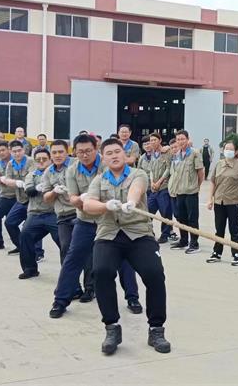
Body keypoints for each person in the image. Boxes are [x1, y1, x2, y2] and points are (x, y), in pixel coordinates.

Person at [83, 138, 171, 355]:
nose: (114, 156)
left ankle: (156, 329)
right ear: (103, 158)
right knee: (101, 272)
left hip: (138, 233)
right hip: (108, 234)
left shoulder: (137, 173)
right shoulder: (99, 180)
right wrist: (105, 206)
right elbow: (87, 204)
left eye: (117, 151)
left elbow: (138, 188)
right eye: (109, 153)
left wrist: (131, 201)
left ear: (125, 154)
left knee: (154, 274)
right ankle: (112, 327)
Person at [50, 134, 142, 317]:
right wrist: (81, 200)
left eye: (89, 151)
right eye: (80, 152)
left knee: (123, 259)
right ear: (74, 152)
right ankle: (60, 301)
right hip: (85, 220)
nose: (85, 155)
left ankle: (132, 297)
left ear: (96, 149)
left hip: (110, 221)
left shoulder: (107, 164)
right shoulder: (72, 170)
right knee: (73, 257)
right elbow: (72, 197)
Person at [206, 140, 238, 265]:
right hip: (219, 201)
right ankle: (217, 252)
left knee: (234, 229)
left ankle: (236, 253)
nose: (228, 151)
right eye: (226, 148)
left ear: (236, 151)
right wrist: (209, 198)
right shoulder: (219, 164)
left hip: (232, 201)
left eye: (231, 149)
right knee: (219, 229)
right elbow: (212, 182)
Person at [18, 149, 60, 279]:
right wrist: (37, 188)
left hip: (54, 214)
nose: (41, 162)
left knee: (64, 242)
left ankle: (69, 274)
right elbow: (28, 191)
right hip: (35, 214)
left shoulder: (56, 173)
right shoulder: (32, 175)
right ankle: (30, 269)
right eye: (38, 160)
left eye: (44, 159)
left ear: (50, 160)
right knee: (25, 236)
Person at [0, 140, 41, 257]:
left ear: (23, 150)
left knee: (33, 227)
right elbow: (7, 180)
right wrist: (16, 182)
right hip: (21, 199)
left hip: (33, 199)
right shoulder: (11, 164)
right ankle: (21, 246)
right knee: (10, 222)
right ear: (10, 152)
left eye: (19, 151)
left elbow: (33, 177)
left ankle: (37, 253)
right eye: (14, 151)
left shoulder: (31, 161)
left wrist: (24, 183)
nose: (17, 153)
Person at [169, 130, 204, 254]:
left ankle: (194, 243)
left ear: (188, 139)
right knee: (181, 217)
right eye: (178, 139)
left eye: (182, 139)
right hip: (179, 191)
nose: (180, 142)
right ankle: (183, 240)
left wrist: (197, 186)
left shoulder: (195, 153)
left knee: (192, 219)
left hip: (191, 191)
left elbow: (200, 172)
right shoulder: (176, 154)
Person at [41, 140, 77, 261]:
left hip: (80, 212)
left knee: (86, 249)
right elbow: (46, 197)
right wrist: (54, 191)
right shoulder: (48, 171)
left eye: (61, 152)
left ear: (68, 152)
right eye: (54, 152)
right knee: (65, 247)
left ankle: (90, 280)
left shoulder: (76, 165)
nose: (57, 155)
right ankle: (68, 279)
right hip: (63, 215)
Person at [147, 133, 174, 244]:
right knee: (148, 211)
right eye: (151, 140)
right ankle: (149, 233)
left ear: (160, 140)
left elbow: (168, 168)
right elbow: (151, 170)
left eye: (154, 140)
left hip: (163, 187)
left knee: (165, 213)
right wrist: (152, 182)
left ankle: (165, 234)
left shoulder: (167, 152)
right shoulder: (153, 154)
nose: (152, 142)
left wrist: (159, 182)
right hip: (154, 188)